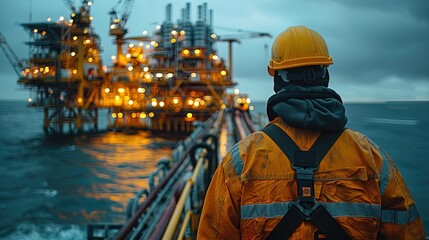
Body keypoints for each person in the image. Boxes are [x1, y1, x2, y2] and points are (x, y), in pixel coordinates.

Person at [197, 26, 425, 239]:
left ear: (277, 77)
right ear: (325, 74)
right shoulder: (372, 158)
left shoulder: (241, 161)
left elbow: (213, 232)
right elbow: (407, 230)